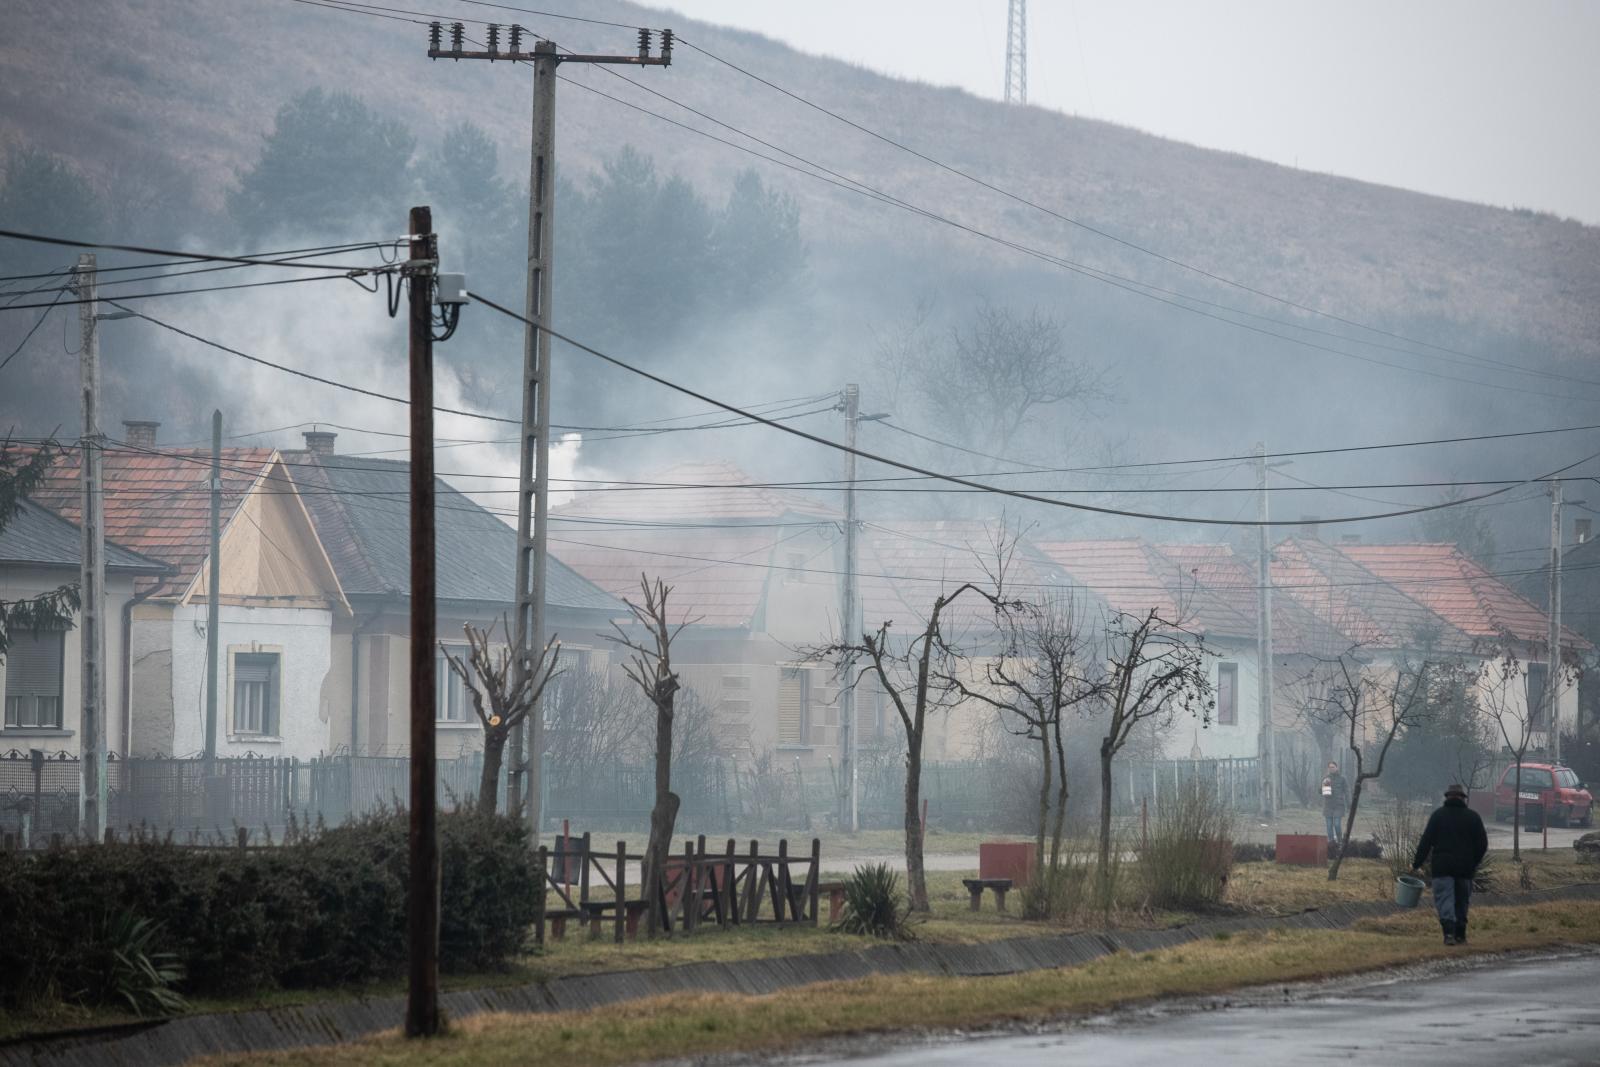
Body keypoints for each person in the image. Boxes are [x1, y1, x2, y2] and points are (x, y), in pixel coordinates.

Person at [1411, 783, 1489, 946]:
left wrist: (1416, 864)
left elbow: (1426, 841)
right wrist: (1474, 862)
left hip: (1442, 867)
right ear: (1463, 798)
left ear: (1447, 798)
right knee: (1462, 901)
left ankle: (1448, 934)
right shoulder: (1473, 817)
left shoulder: (1438, 816)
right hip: (1465, 868)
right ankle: (1461, 934)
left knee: (1444, 899)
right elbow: (1482, 844)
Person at [1322, 761, 1349, 847]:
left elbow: (1347, 791)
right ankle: (1331, 843)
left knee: (1337, 824)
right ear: (1328, 769)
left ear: (1337, 768)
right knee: (1329, 826)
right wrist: (1323, 787)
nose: (1331, 769)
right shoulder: (1326, 778)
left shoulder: (1342, 778)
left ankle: (1340, 842)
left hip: (1339, 805)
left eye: (1333, 767)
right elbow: (1320, 791)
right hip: (1328, 806)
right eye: (1330, 767)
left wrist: (1349, 803)